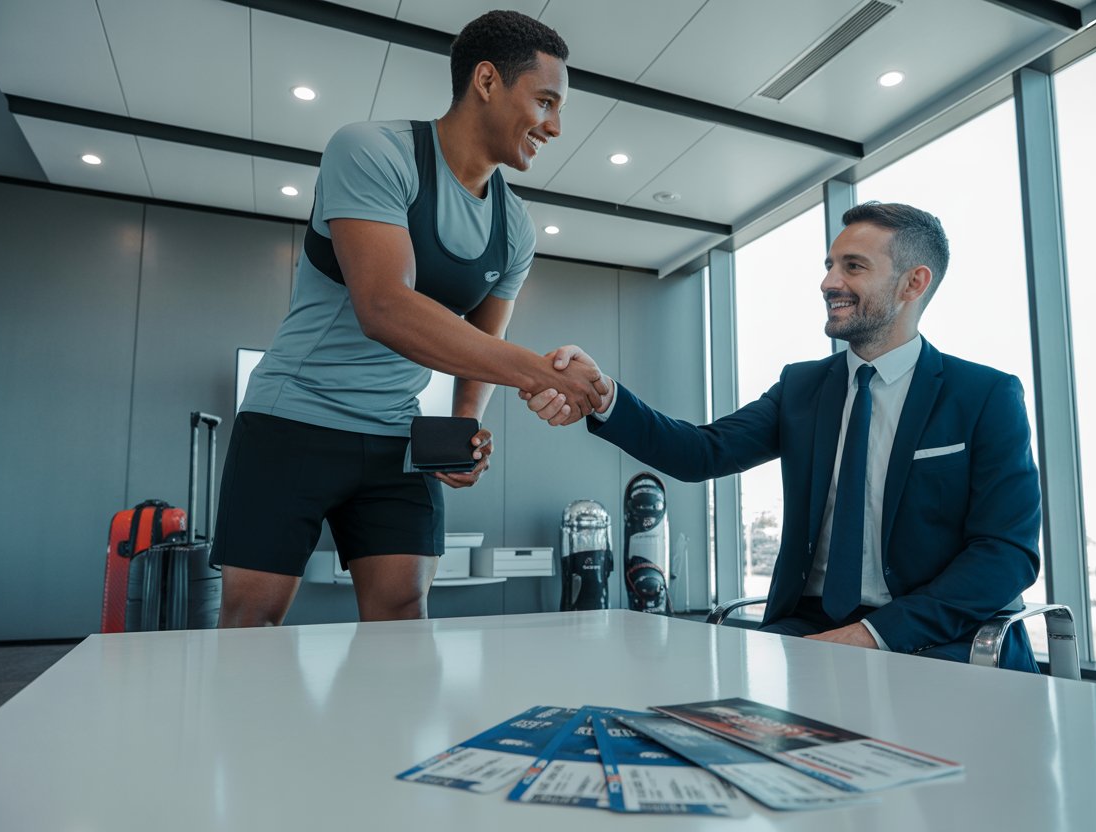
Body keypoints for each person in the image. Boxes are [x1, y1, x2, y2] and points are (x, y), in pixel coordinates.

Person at [211, 11, 605, 627]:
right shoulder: (372, 150)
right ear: (486, 81)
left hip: (397, 436)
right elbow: (385, 306)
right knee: (251, 619)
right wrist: (540, 373)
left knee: (400, 616)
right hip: (292, 419)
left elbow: (483, 343)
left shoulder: (515, 226)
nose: (555, 126)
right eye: (546, 101)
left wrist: (464, 429)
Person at [526, 202, 1041, 671]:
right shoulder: (803, 388)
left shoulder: (984, 396)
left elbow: (1005, 554)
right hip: (808, 629)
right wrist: (603, 395)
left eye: (853, 267)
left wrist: (871, 635)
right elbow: (700, 452)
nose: (828, 283)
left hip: (938, 639)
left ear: (913, 284)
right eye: (829, 265)